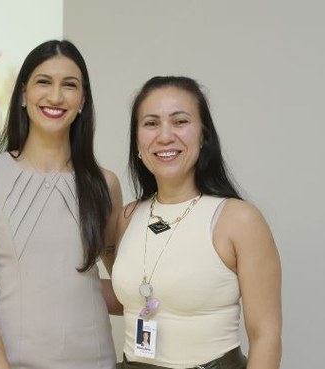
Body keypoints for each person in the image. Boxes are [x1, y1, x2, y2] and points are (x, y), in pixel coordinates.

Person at [0, 40, 123, 369]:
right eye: (43, 82)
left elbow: (126, 286)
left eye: (70, 86)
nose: (56, 96)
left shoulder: (104, 184)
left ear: (82, 101)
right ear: (23, 94)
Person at [112, 76, 282, 369]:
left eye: (180, 122)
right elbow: (130, 295)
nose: (165, 136)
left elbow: (266, 336)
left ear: (204, 136)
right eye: (151, 123)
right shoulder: (127, 217)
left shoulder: (238, 220)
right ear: (137, 141)